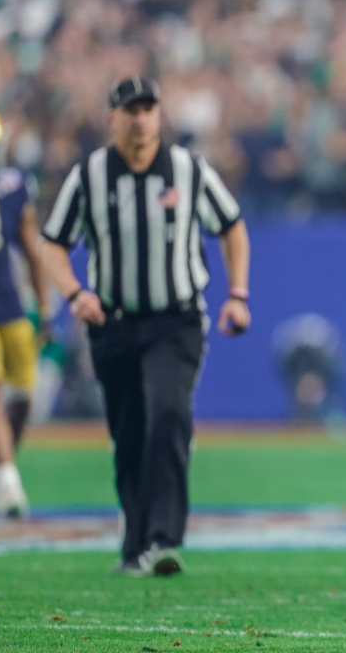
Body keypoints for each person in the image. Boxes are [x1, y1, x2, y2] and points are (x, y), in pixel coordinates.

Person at [40, 76, 252, 576]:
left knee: (168, 413)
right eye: (131, 110)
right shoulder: (90, 175)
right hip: (113, 322)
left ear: (159, 115)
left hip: (175, 319)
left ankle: (164, 537)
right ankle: (135, 542)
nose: (140, 119)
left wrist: (238, 294)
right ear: (112, 118)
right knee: (129, 432)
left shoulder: (188, 170)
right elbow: (53, 243)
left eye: (148, 109)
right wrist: (74, 292)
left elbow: (231, 226)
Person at [0, 103, 49, 518]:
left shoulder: (13, 185)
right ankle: (8, 479)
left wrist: (44, 305)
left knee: (24, 395)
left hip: (9, 301)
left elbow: (31, 249)